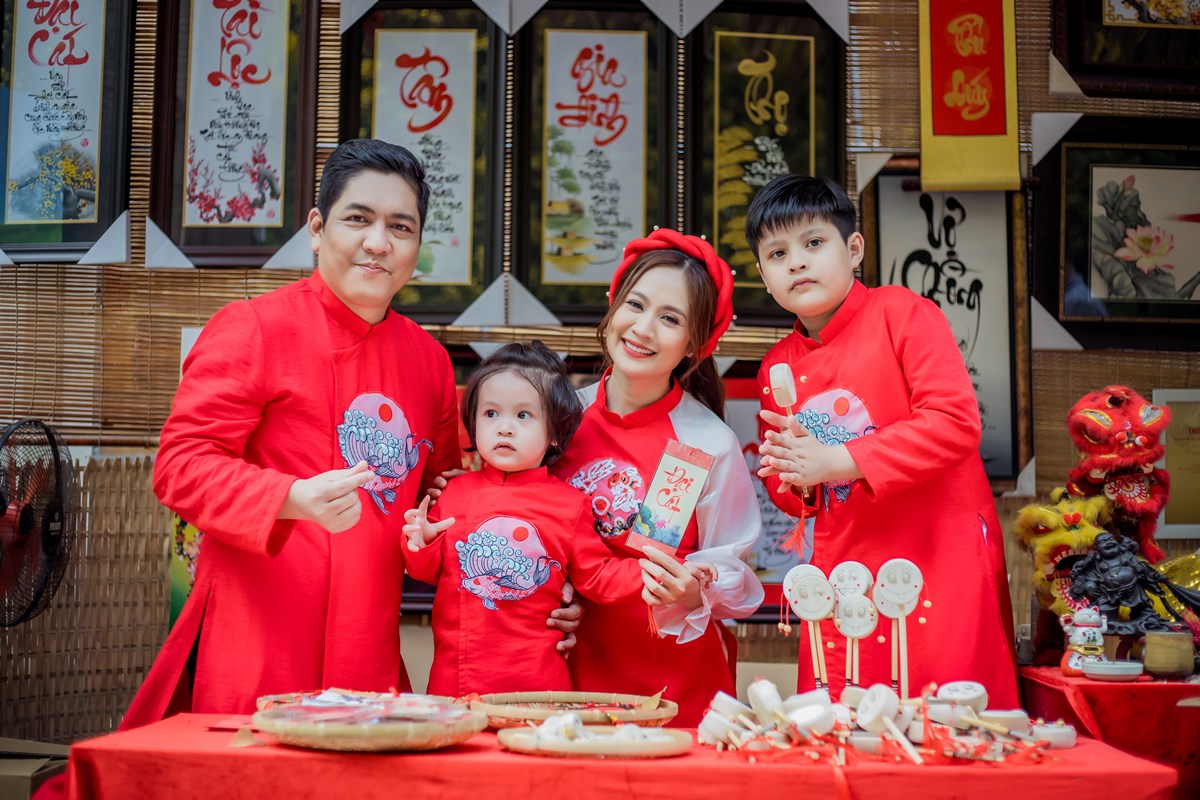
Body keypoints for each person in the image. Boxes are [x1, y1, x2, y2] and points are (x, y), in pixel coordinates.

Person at [121, 139, 578, 727]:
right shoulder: (253, 328)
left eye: (400, 227)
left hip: (368, 642)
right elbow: (180, 466)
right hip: (257, 633)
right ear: (317, 229)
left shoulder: (429, 362)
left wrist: (545, 593)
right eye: (358, 219)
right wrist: (289, 497)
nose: (378, 242)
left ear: (416, 246)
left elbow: (454, 504)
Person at [748, 174, 1019, 706]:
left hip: (939, 552)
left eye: (813, 242)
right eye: (778, 254)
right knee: (846, 719)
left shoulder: (902, 312)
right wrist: (794, 474)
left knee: (952, 719)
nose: (796, 262)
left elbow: (954, 422)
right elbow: (795, 493)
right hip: (846, 565)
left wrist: (838, 459)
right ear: (764, 276)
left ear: (854, 249)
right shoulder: (776, 365)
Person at [403, 341, 714, 696]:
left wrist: (667, 571)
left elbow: (599, 575)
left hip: (537, 684)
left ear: (554, 433)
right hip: (456, 680)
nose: (504, 428)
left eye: (523, 415)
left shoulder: (570, 505)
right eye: (490, 413)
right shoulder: (454, 493)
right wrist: (421, 541)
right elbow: (425, 571)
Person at [550, 228, 765, 726]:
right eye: (635, 305)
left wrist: (697, 591)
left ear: (694, 345)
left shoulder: (708, 442)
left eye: (670, 318)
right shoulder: (556, 422)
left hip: (675, 691)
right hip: (565, 681)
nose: (643, 328)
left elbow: (733, 574)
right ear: (613, 307)